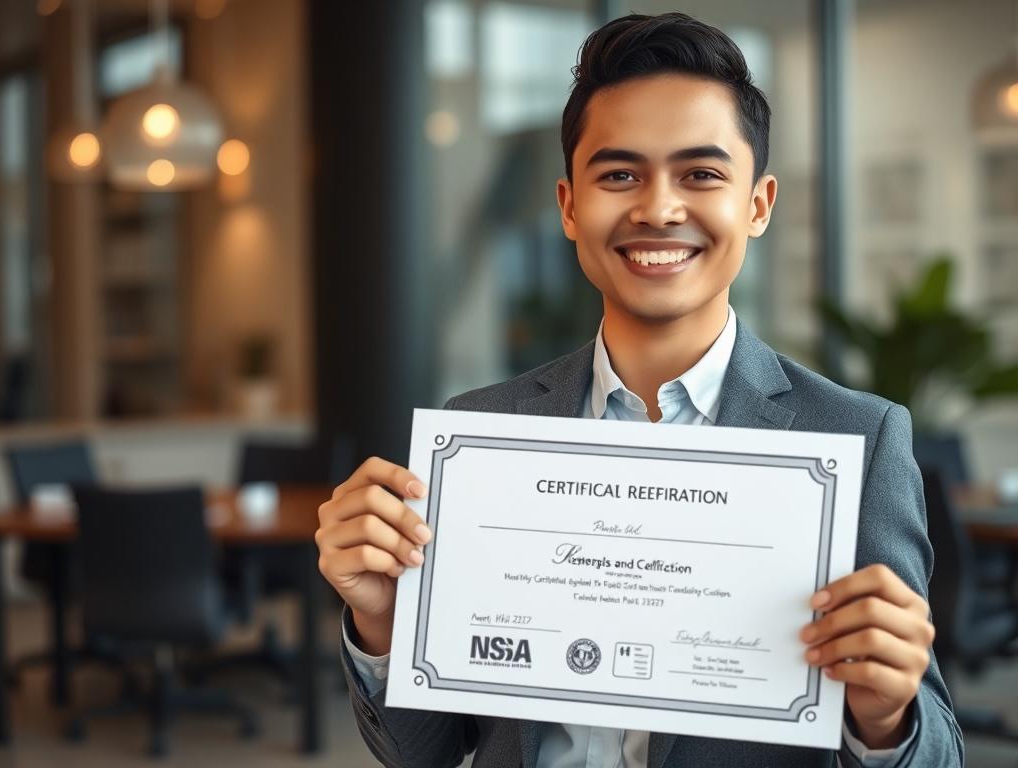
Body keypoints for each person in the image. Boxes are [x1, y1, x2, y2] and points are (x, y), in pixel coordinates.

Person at [315, 11, 963, 767]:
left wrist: (886, 719)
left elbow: (940, 749)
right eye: (619, 174)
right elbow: (421, 754)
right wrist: (383, 624)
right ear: (568, 206)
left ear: (757, 204)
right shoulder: (478, 436)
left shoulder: (857, 439)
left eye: (702, 174)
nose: (658, 208)